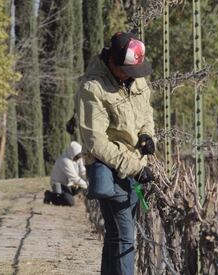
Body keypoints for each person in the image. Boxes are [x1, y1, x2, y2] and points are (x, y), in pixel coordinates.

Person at [75, 31, 156, 275]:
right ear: (113, 62)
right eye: (129, 72)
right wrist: (135, 168)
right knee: (124, 237)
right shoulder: (92, 88)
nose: (134, 77)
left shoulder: (136, 78)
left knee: (116, 235)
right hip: (109, 168)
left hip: (134, 165)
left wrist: (147, 135)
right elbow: (95, 142)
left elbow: (146, 113)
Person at [43, 141, 88, 206]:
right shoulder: (65, 161)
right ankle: (51, 196)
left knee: (82, 186)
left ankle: (66, 195)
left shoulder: (78, 158)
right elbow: (74, 177)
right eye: (78, 155)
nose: (79, 157)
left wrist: (88, 179)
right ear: (73, 154)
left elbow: (82, 171)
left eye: (80, 155)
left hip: (70, 184)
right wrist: (87, 185)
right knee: (70, 202)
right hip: (59, 183)